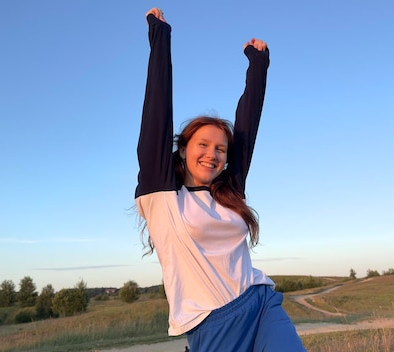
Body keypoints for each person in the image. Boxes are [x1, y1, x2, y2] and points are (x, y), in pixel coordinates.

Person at [135, 8, 306, 352]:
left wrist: (258, 66)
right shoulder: (163, 197)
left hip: (259, 303)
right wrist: (160, 37)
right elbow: (156, 113)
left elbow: (247, 127)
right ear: (182, 149)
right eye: (203, 145)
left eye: (220, 149)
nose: (212, 154)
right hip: (212, 324)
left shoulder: (229, 191)